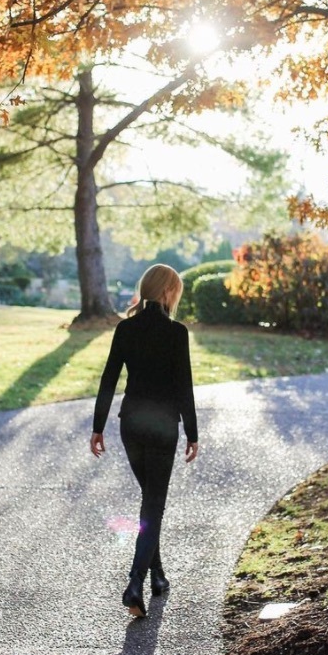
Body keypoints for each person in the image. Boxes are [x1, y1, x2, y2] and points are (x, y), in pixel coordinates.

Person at [90, 264, 199, 618]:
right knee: (153, 505)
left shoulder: (125, 328)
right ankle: (134, 582)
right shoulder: (176, 332)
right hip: (164, 427)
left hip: (130, 426)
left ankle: (158, 577)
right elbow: (184, 387)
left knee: (150, 501)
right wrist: (193, 434)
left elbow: (109, 379)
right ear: (168, 293)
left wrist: (98, 427)